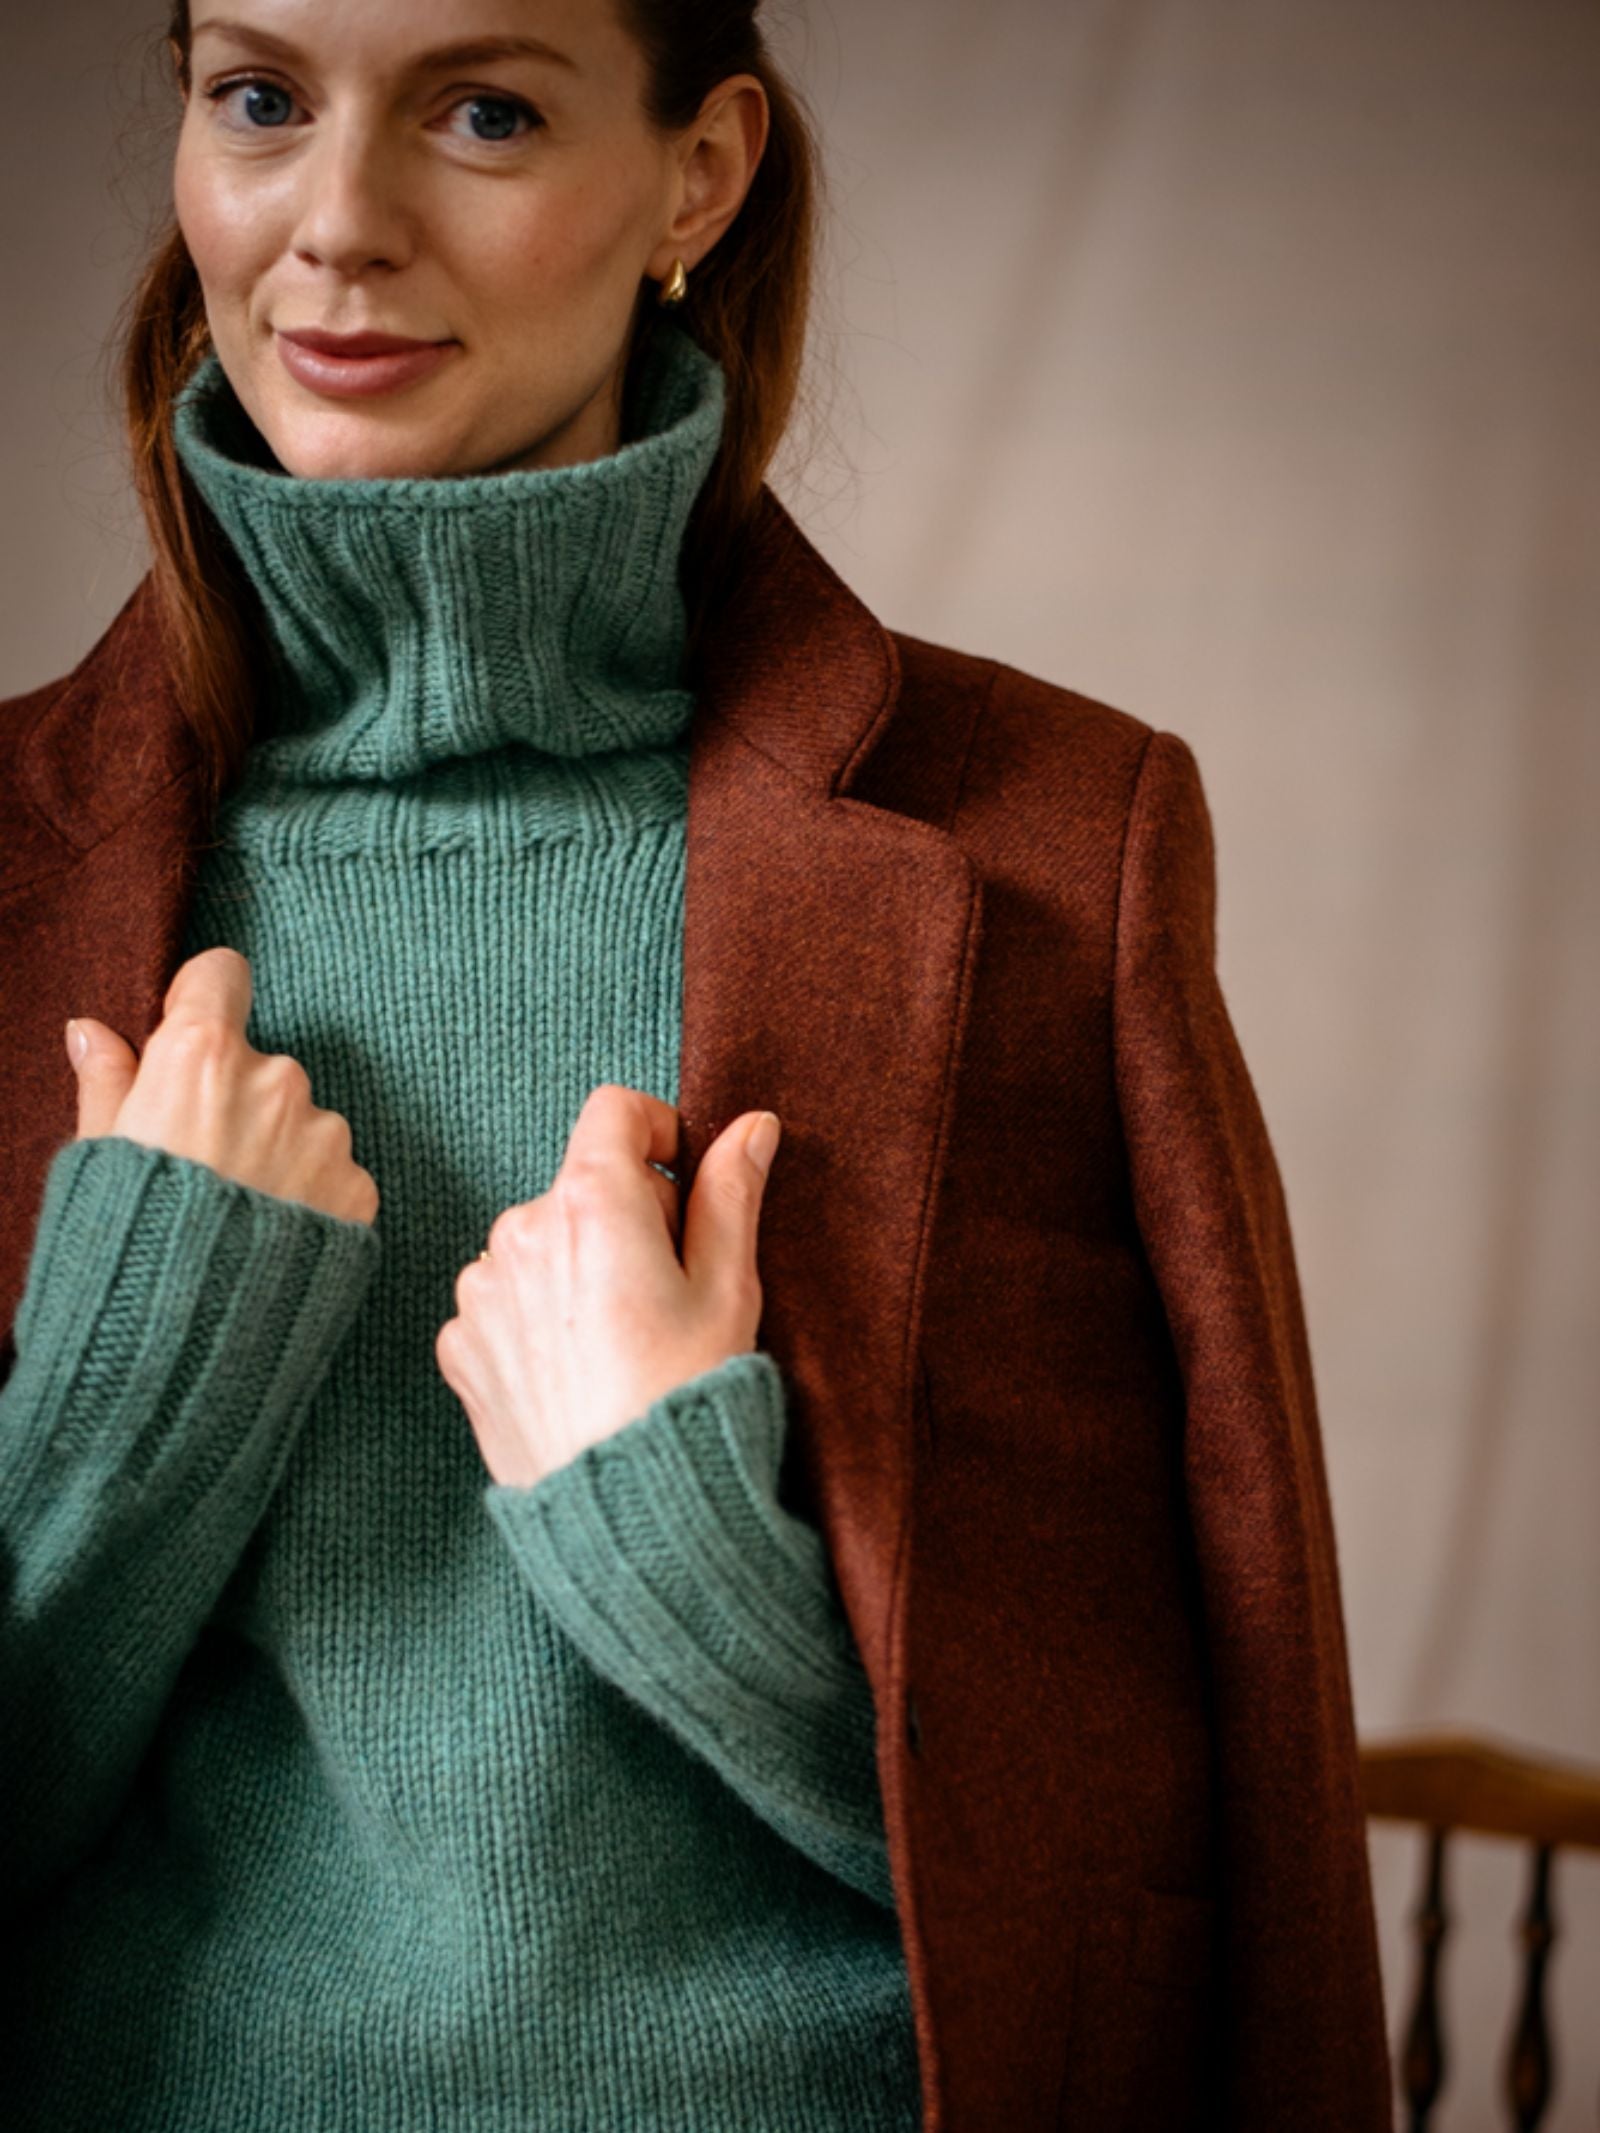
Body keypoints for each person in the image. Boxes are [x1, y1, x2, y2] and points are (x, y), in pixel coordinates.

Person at [0, 1, 1394, 2127]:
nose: (337, 223)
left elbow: (1163, 1871)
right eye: (258, 99)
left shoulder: (1057, 850)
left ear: (699, 173)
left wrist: (673, 1531)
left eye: (480, 108)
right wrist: (123, 1402)